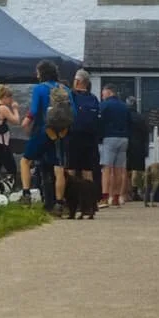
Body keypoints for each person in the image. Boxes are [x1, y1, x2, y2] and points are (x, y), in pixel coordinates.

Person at [21, 61, 65, 208]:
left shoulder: (39, 88)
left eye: (38, 71)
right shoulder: (64, 89)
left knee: (25, 161)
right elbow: (74, 114)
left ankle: (26, 194)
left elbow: (33, 111)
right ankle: (59, 202)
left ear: (42, 73)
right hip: (60, 133)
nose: (36, 74)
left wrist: (26, 122)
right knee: (58, 167)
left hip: (43, 131)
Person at [60, 70, 103, 218]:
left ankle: (70, 204)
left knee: (71, 172)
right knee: (87, 172)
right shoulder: (94, 99)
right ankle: (91, 205)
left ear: (77, 82)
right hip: (90, 140)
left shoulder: (71, 97)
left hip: (73, 138)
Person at [99, 84, 133, 207]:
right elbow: (130, 122)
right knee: (119, 170)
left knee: (106, 169)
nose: (102, 97)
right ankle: (116, 198)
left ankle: (104, 197)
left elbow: (99, 121)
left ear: (108, 92)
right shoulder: (124, 106)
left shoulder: (104, 105)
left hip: (109, 138)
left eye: (103, 94)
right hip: (124, 139)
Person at [126, 96, 150, 202]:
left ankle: (126, 192)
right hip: (139, 146)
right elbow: (146, 134)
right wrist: (146, 149)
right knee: (137, 169)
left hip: (126, 144)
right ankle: (135, 191)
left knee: (126, 169)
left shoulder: (124, 117)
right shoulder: (141, 117)